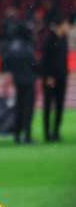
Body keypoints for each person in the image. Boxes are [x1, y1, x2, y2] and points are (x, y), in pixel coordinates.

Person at [2, 25, 37, 144]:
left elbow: (7, 62)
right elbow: (34, 64)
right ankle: (27, 136)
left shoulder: (12, 47)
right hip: (29, 81)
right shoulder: (28, 47)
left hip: (18, 81)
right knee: (28, 110)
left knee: (18, 108)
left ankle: (17, 135)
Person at [40, 13, 69, 142]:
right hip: (50, 79)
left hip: (62, 77)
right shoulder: (49, 39)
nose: (67, 26)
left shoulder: (64, 39)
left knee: (59, 106)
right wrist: (48, 76)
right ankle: (47, 134)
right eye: (66, 24)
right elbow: (45, 60)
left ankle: (56, 132)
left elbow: (63, 59)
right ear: (60, 25)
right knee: (48, 105)